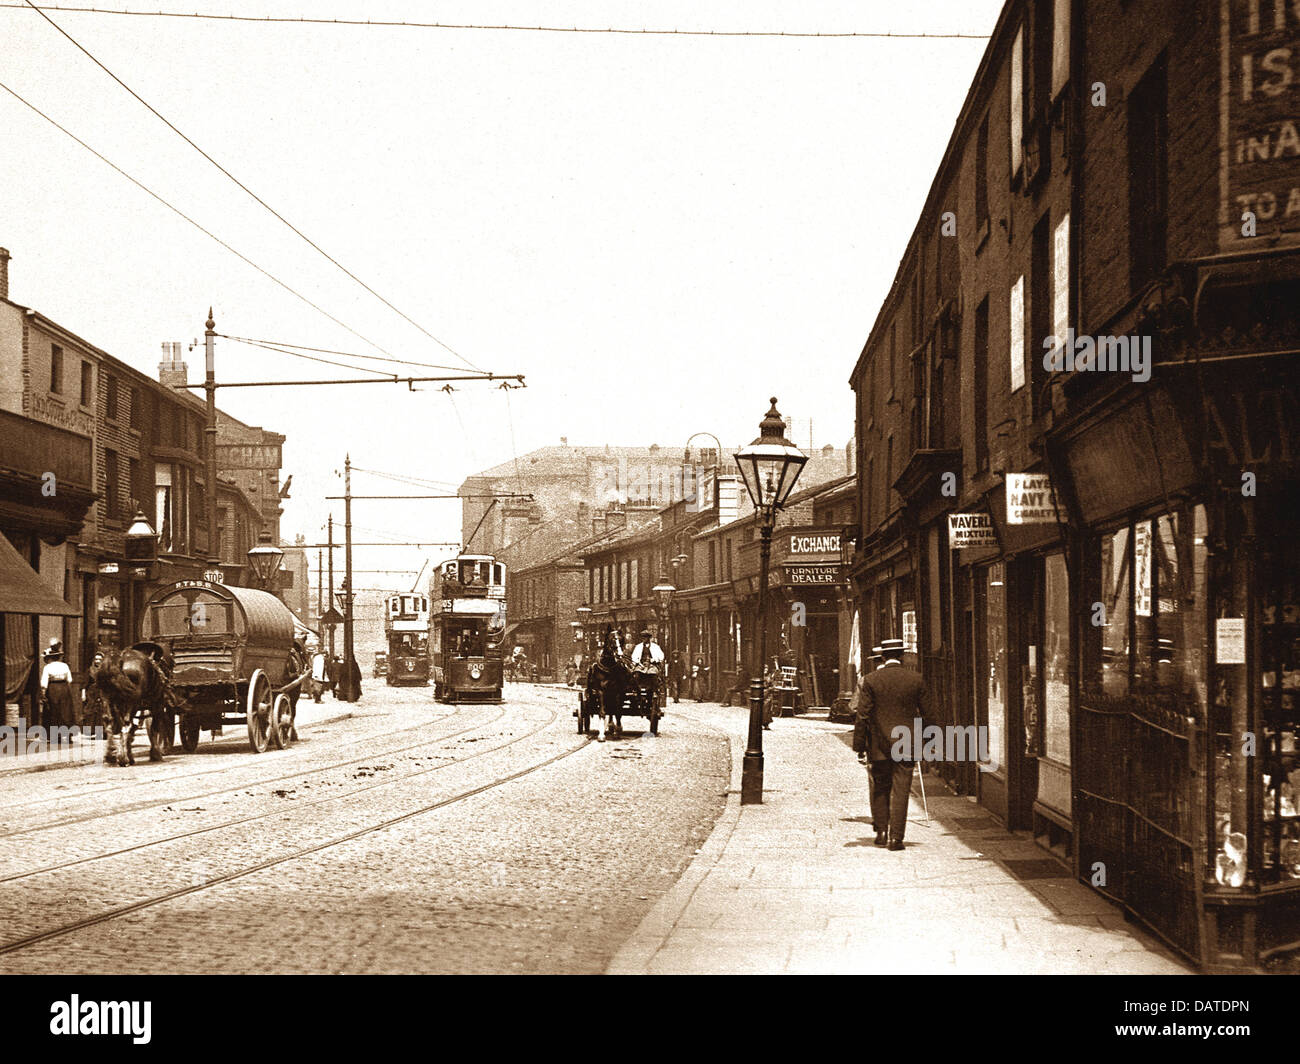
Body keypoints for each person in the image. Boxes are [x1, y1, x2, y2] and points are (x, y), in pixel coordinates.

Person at [852, 638, 926, 851]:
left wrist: (859, 745)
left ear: (883, 657)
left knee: (880, 787)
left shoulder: (871, 680)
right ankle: (897, 838)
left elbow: (863, 715)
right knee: (901, 790)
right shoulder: (916, 679)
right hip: (906, 743)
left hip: (878, 744)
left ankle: (881, 832)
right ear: (901, 656)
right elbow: (928, 714)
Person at [40, 641, 77, 735]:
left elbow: (44, 683)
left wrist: (43, 694)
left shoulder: (48, 667)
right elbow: (69, 679)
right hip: (64, 689)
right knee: (66, 711)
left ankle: (55, 735)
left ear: (51, 658)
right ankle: (68, 734)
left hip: (53, 689)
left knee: (53, 711)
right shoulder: (65, 666)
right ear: (59, 657)